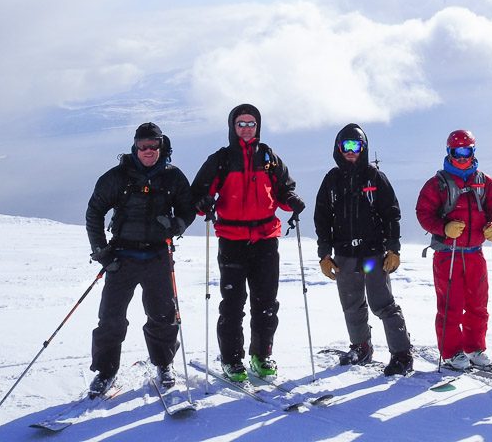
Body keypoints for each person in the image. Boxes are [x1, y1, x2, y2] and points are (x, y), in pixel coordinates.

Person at [190, 103, 306, 382]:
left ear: (258, 126)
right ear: (232, 126)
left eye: (250, 124)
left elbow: (283, 189)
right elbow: (198, 193)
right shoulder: (221, 159)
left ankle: (261, 355)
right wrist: (203, 203)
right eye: (240, 123)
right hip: (232, 239)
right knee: (233, 302)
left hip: (266, 239)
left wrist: (290, 201)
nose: (245, 128)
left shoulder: (269, 157)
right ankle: (232, 360)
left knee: (266, 302)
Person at [85, 122, 195, 396]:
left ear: (161, 146)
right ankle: (105, 372)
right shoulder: (118, 176)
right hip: (121, 257)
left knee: (163, 315)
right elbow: (94, 211)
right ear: (135, 146)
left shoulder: (173, 177)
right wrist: (102, 252)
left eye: (153, 146)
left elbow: (188, 209)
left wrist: (175, 225)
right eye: (142, 146)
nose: (148, 151)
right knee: (111, 318)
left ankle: (164, 364)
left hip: (158, 255)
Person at [314, 123, 413, 376]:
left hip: (373, 255)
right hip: (344, 256)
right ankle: (361, 346)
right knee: (352, 304)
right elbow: (322, 218)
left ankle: (401, 354)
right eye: (345, 146)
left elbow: (392, 214)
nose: (350, 151)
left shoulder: (375, 178)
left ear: (363, 148)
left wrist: (393, 249)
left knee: (383, 304)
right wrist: (324, 254)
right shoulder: (331, 180)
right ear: (338, 149)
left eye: (355, 146)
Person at [415, 130, 492, 370]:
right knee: (450, 305)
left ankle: (475, 348)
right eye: (457, 152)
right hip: (447, 254)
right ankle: (452, 352)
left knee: (478, 304)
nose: (462, 157)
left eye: (467, 151)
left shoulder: (485, 182)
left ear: (473, 151)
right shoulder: (437, 184)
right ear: (449, 153)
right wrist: (444, 228)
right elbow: (423, 214)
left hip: (475, 253)